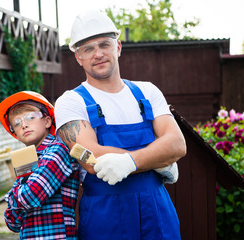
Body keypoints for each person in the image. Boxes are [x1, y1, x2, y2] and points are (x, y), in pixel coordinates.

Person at [54, 10, 187, 240]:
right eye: (88, 49)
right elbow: (91, 159)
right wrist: (156, 159)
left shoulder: (147, 91)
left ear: (118, 47)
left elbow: (177, 145)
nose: (98, 54)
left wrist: (129, 162)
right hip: (106, 217)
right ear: (78, 57)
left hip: (157, 211)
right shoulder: (70, 102)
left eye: (104, 44)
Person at [0, 91, 80, 239]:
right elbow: (12, 223)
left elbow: (31, 194)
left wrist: (11, 197)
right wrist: (18, 197)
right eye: (16, 123)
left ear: (47, 121)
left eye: (30, 117)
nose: (24, 124)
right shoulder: (27, 160)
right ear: (14, 133)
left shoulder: (58, 150)